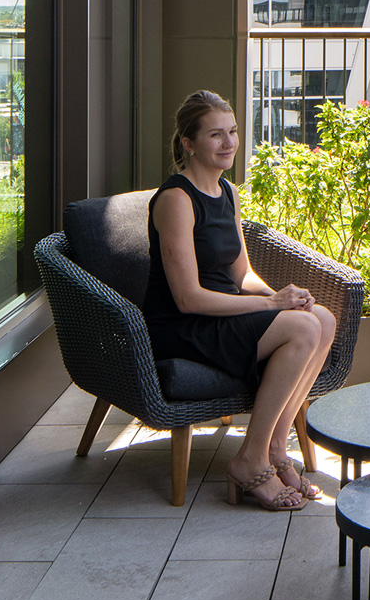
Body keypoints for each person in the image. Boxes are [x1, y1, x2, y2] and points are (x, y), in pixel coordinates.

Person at [144, 90, 337, 512]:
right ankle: (249, 460)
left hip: (224, 313)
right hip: (183, 326)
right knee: (303, 326)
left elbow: (240, 274)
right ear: (188, 144)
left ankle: (274, 450)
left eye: (232, 132)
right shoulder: (176, 200)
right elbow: (189, 298)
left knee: (320, 317)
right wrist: (271, 307)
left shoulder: (226, 191)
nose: (229, 142)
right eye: (216, 135)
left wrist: (279, 296)